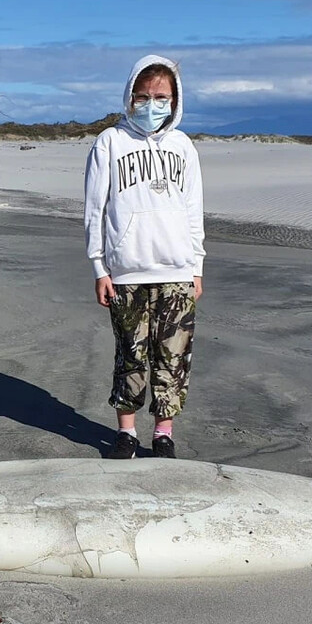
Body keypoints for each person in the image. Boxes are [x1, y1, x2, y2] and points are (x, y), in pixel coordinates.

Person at [83, 54, 205, 460]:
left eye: (161, 97)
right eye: (144, 95)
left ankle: (164, 433)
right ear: (130, 95)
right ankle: (127, 432)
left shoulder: (183, 146)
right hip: (126, 272)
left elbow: (193, 208)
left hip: (177, 270)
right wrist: (100, 267)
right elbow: (95, 209)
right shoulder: (110, 142)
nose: (152, 104)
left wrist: (197, 266)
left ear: (174, 100)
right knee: (131, 353)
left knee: (173, 356)